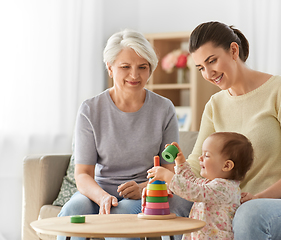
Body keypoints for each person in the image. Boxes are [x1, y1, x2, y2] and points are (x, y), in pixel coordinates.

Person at [186, 21, 281, 240]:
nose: (208, 73)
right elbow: (197, 162)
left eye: (212, 61)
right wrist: (162, 184)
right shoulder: (215, 104)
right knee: (173, 200)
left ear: (234, 50)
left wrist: (259, 198)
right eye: (201, 68)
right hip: (238, 203)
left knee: (248, 215)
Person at [57, 29, 192, 240]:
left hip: (145, 192)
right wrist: (102, 197)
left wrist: (145, 188)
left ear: (151, 69)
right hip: (98, 191)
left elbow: (168, 171)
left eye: (142, 67)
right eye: (125, 67)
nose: (134, 75)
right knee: (73, 210)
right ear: (110, 68)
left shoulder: (164, 109)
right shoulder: (90, 109)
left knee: (121, 215)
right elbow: (82, 174)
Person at [146, 132, 254, 239]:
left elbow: (193, 191)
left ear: (226, 165)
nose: (200, 158)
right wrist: (180, 161)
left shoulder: (224, 189)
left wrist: (168, 176)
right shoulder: (211, 184)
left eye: (206, 155)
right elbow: (191, 181)